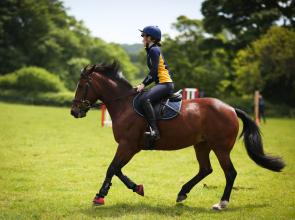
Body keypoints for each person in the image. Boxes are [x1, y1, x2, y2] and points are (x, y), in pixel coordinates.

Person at [136, 26, 174, 141]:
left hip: (165, 84)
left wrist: (143, 84)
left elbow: (154, 71)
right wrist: (142, 84)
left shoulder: (153, 50)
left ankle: (154, 131)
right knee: (142, 97)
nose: (142, 39)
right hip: (162, 83)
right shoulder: (152, 50)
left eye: (144, 36)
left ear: (150, 38)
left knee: (144, 100)